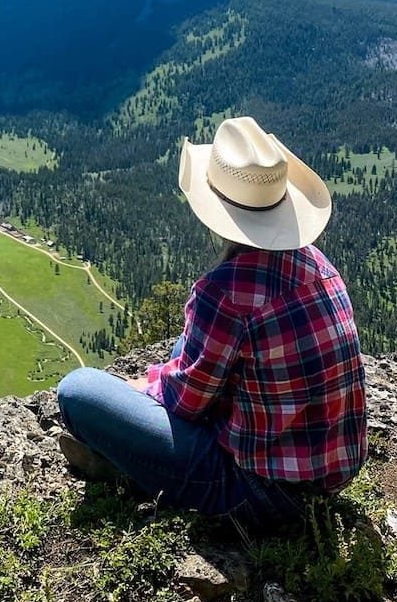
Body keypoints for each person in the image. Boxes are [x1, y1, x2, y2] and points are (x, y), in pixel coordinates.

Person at [57, 116, 367, 527]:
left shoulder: (224, 292)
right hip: (332, 476)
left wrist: (140, 387)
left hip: (258, 492)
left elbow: (184, 403)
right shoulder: (319, 264)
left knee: (77, 391)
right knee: (185, 348)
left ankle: (128, 468)